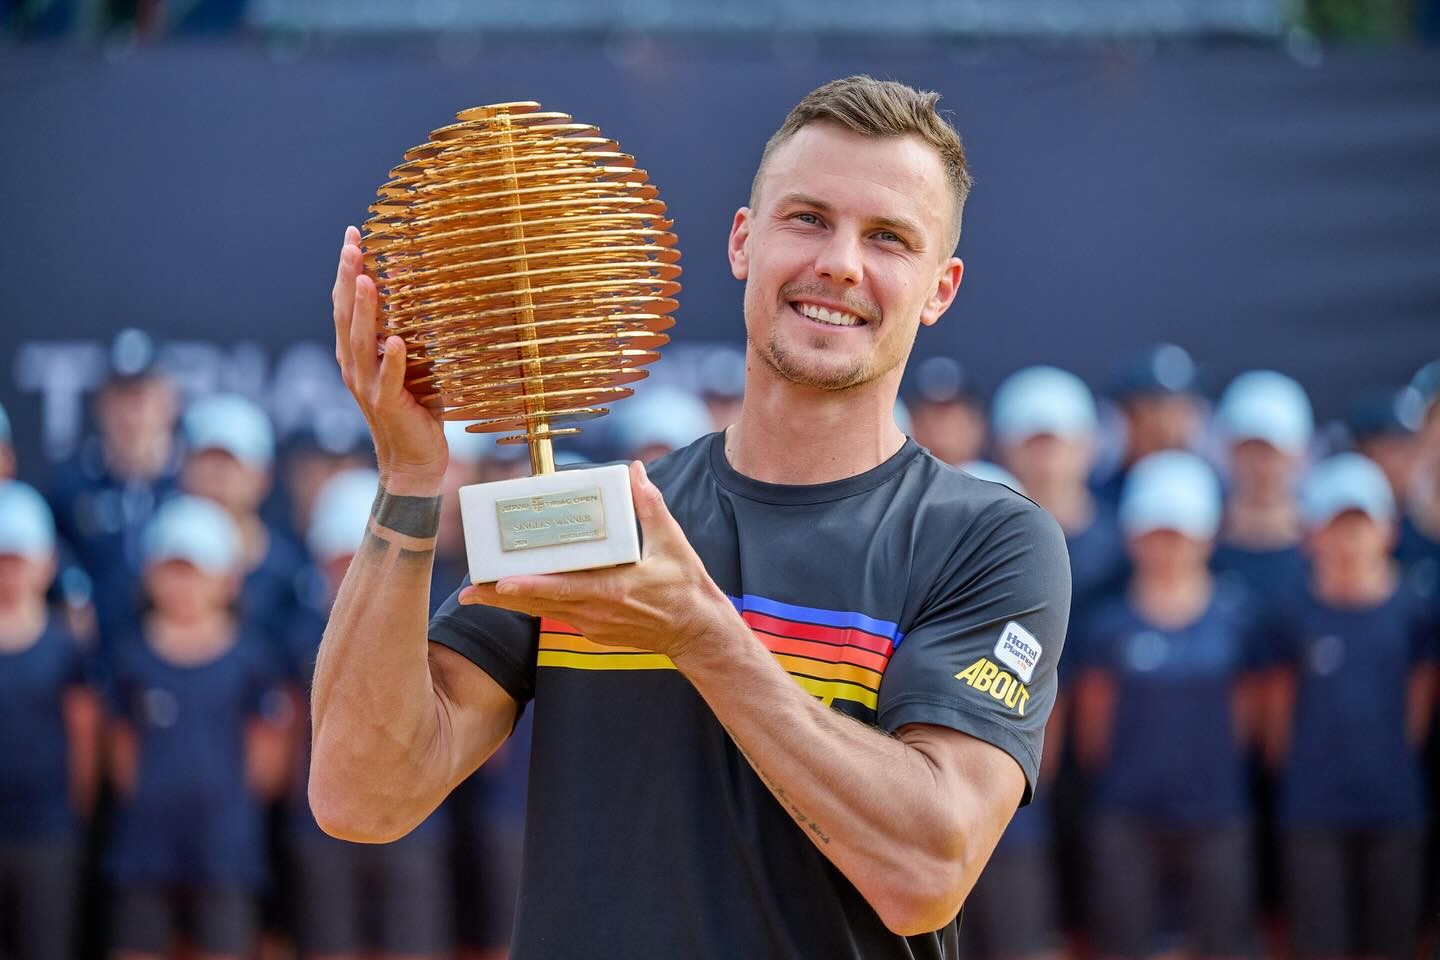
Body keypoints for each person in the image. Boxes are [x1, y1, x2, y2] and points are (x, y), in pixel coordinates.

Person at [312, 75, 1072, 959]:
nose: (840, 263)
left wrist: (701, 636)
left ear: (940, 288)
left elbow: (925, 872)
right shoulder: (603, 515)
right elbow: (361, 796)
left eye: (889, 238)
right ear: (743, 240)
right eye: (808, 219)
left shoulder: (988, 540)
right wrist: (409, 475)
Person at [1074, 451, 1263, 958]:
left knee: (1226, 945)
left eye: (1180, 533)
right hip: (1126, 815)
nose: (1168, 547)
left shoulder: (1238, 619)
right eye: (1156, 532)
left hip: (1218, 814)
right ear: (1133, 536)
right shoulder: (1107, 626)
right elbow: (1094, 732)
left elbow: (1250, 720)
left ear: (1207, 537)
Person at [1261, 453, 1436, 960]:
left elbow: (1417, 710)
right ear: (1310, 535)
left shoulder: (1416, 613)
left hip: (1395, 807)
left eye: (1361, 524)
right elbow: (1276, 721)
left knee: (1393, 944)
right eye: (1335, 526)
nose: (1349, 540)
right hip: (1312, 811)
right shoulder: (1289, 615)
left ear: (1389, 532)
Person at [104, 495, 288, 960]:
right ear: (150, 574)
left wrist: (228, 806)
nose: (183, 585)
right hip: (146, 844)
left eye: (197, 571)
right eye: (172, 570)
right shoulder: (130, 656)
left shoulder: (252, 657)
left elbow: (267, 755)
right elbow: (121, 748)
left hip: (226, 845)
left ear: (228, 579)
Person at [283, 469, 453, 959]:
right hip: (321, 824)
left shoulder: (436, 623)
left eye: (370, 557)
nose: (356, 572)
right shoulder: (298, 633)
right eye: (344, 558)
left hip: (415, 818)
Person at [0, 481, 102, 960]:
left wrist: (73, 816)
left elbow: (85, 738)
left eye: (18, 561)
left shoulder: (66, 647)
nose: (9, 574)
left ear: (46, 564)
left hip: (48, 831)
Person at [179, 393, 306, 650]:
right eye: (207, 460)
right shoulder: (145, 550)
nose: (218, 475)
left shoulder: (288, 567)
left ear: (263, 477)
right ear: (185, 468)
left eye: (233, 463)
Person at [1091, 343, 1202, 506]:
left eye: (1182, 406)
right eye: (1157, 406)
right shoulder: (1098, 503)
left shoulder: (1217, 497)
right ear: (1128, 416)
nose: (1169, 424)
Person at [906, 356, 987, 467]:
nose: (941, 431)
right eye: (933, 415)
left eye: (954, 419)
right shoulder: (899, 476)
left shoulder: (992, 476)